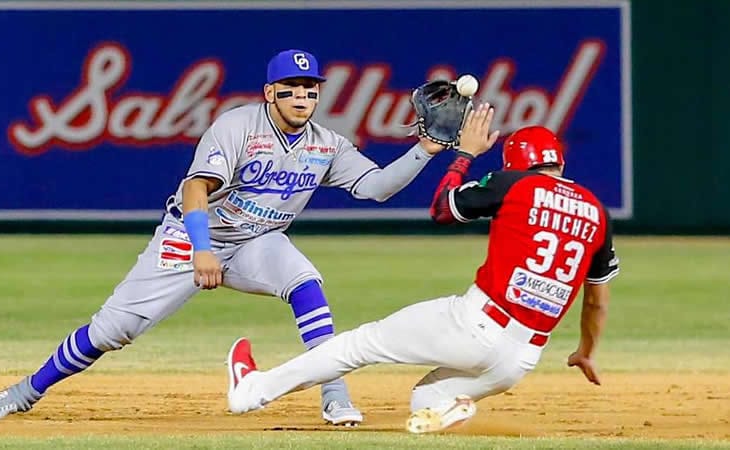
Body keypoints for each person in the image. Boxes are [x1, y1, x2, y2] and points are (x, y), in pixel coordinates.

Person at [0, 49, 455, 426]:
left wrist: (426, 149)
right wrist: (202, 251)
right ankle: (22, 393)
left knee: (306, 283)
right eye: (291, 89)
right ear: (271, 93)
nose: (302, 97)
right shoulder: (238, 126)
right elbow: (195, 188)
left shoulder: (326, 144)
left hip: (257, 240)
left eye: (310, 89)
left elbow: (375, 188)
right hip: (190, 235)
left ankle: (335, 397)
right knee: (111, 332)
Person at [224, 106, 620, 434]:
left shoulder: (513, 184)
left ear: (515, 164)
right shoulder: (598, 213)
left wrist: (464, 155)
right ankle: (454, 406)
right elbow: (597, 302)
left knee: (358, 344)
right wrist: (586, 352)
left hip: (476, 324)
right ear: (560, 162)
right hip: (520, 358)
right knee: (426, 402)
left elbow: (442, 209)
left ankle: (252, 391)